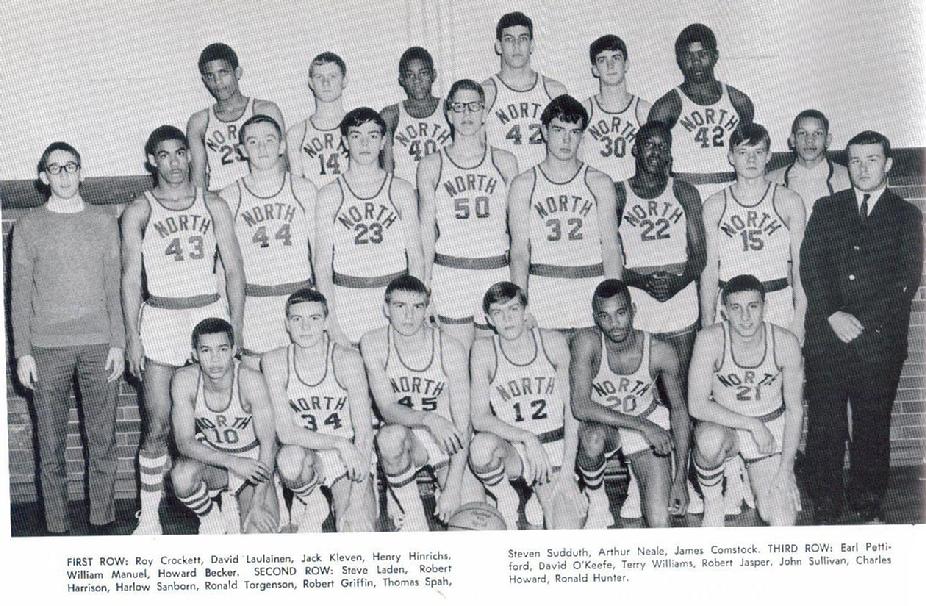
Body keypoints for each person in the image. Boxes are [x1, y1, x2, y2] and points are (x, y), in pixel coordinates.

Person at [122, 125, 245, 534]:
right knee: (157, 421)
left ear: (190, 156)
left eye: (180, 153)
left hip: (206, 315)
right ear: (151, 161)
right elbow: (128, 278)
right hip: (160, 318)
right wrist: (133, 338)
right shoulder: (139, 210)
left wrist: (237, 328)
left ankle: (221, 503)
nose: (174, 162)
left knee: (212, 416)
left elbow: (234, 269)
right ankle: (151, 516)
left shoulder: (213, 204)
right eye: (165, 155)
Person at [801, 130, 923, 524]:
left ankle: (867, 501)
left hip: (879, 340)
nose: (863, 168)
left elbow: (906, 281)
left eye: (872, 159)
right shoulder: (826, 208)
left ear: (888, 163)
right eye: (855, 160)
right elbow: (811, 267)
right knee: (825, 423)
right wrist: (833, 314)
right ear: (846, 164)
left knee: (872, 423)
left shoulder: (907, 216)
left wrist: (863, 324)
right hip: (828, 334)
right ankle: (826, 503)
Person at [11, 142, 124, 535]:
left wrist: (119, 343)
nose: (63, 175)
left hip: (99, 345)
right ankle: (57, 528)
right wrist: (22, 353)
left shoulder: (103, 220)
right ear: (43, 177)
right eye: (54, 169)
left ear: (81, 171)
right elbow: (19, 295)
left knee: (103, 441)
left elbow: (115, 286)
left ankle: (102, 521)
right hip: (46, 349)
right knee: (51, 447)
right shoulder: (27, 226)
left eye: (70, 167)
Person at [360, 276, 482, 531]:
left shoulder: (450, 348)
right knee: (389, 437)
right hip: (405, 437)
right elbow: (387, 409)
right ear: (386, 308)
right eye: (400, 306)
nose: (408, 316)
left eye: (417, 307)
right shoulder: (373, 343)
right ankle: (413, 513)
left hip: (447, 442)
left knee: (473, 522)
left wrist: (453, 488)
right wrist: (429, 419)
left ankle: (428, 489)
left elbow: (463, 424)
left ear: (427, 309)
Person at [570, 280, 690, 528]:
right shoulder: (587, 342)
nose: (614, 324)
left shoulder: (659, 351)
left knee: (660, 522)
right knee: (591, 440)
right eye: (605, 316)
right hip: (606, 425)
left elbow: (679, 412)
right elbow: (580, 406)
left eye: (621, 313)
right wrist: (643, 426)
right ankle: (597, 499)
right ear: (595, 318)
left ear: (633, 310)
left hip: (646, 418)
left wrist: (681, 478)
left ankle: (641, 477)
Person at [688, 275, 804, 527]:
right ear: (724, 312)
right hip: (728, 427)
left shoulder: (785, 342)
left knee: (782, 519)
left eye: (753, 306)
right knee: (708, 441)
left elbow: (795, 411)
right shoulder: (709, 339)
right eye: (735, 308)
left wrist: (786, 468)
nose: (745, 317)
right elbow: (696, 405)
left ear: (765, 307)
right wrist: (752, 424)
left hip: (768, 432)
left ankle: (750, 478)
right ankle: (714, 502)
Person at [469, 282, 586, 530]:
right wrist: (527, 438)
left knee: (566, 534)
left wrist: (567, 473)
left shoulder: (551, 341)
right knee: (480, 448)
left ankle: (540, 497)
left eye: (513, 309)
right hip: (515, 448)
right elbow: (479, 418)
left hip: (555, 448)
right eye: (498, 313)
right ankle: (506, 496)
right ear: (489, 319)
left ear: (525, 311)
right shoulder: (483, 350)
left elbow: (573, 411)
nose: (507, 318)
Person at [262, 288, 376, 532]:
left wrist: (355, 504)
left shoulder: (347, 360)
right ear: (287, 325)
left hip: (347, 458)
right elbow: (286, 433)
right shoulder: (274, 362)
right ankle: (314, 502)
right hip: (305, 454)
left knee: (356, 529)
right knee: (289, 459)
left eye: (314, 319)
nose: (305, 327)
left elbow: (365, 434)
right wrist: (338, 442)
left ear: (326, 322)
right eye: (297, 320)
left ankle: (339, 502)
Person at [418, 79, 519, 349]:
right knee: (457, 363)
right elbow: (426, 232)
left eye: (473, 106)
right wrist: (425, 285)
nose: (466, 114)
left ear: (485, 112)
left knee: (494, 360)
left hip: (494, 269)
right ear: (448, 113)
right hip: (451, 272)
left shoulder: (504, 161)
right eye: (459, 107)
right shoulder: (431, 165)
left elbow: (518, 230)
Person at [508, 94, 621, 333]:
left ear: (582, 135)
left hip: (589, 293)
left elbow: (611, 248)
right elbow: (519, 251)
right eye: (559, 130)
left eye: (574, 132)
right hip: (544, 294)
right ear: (544, 132)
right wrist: (521, 306)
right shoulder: (524, 184)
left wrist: (612, 304)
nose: (566, 140)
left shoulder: (599, 182)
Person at [314, 107, 423, 346]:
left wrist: (414, 308)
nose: (365, 143)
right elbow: (322, 264)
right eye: (356, 136)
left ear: (384, 141)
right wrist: (331, 320)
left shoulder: (401, 190)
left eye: (373, 136)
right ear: (344, 141)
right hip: (348, 299)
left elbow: (416, 256)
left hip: (393, 298)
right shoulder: (329, 194)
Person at [219, 114, 316, 367]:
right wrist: (228, 314)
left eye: (269, 140)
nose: (262, 148)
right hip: (256, 302)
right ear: (241, 150)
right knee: (256, 380)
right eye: (253, 141)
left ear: (282, 145)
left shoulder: (303, 189)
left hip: (298, 297)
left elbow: (319, 253)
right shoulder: (230, 196)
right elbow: (223, 267)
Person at [170, 318, 278, 534]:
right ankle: (212, 518)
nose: (215, 359)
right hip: (218, 464)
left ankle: (240, 502)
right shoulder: (184, 380)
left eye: (222, 349)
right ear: (194, 354)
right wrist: (232, 462)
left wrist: (257, 503)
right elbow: (184, 442)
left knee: (259, 539)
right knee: (181, 476)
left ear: (234, 351)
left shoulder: (250, 380)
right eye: (206, 351)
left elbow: (269, 445)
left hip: (253, 465)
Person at [701, 123, 806, 342]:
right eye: (743, 152)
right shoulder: (714, 205)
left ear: (768, 156)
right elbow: (709, 270)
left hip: (776, 300)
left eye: (758, 152)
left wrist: (799, 319)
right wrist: (707, 322)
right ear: (730, 157)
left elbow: (800, 268)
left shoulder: (789, 201)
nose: (751, 160)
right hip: (732, 303)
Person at [649, 23, 754, 200]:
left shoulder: (739, 102)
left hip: (731, 189)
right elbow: (653, 159)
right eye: (688, 56)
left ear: (715, 56)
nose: (696, 62)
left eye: (702, 54)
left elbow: (751, 152)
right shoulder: (667, 106)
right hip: (686, 190)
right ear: (679, 61)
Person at [187, 42, 285, 192]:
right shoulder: (199, 121)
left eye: (223, 73)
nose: (217, 82)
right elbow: (197, 180)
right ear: (204, 81)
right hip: (220, 198)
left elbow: (282, 164)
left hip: (261, 196)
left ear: (237, 72)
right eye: (210, 76)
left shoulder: (264, 110)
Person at [482, 11, 567, 171]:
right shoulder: (486, 92)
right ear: (498, 46)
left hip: (545, 186)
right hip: (503, 184)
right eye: (509, 39)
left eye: (523, 39)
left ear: (532, 44)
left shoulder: (554, 91)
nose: (516, 46)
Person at [580, 35, 651, 183]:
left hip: (633, 195)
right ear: (594, 69)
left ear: (626, 64)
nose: (610, 65)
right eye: (602, 60)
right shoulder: (584, 110)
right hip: (595, 193)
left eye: (616, 58)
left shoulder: (644, 111)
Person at [381, 47, 452, 188]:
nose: (417, 80)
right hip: (407, 196)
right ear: (401, 80)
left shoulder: (448, 109)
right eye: (410, 75)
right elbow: (387, 171)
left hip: (443, 192)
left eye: (423, 73)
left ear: (434, 75)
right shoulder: (391, 115)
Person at [766, 109, 851, 217]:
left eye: (818, 133)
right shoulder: (771, 182)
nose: (810, 140)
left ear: (828, 140)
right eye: (802, 133)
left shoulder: (848, 178)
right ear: (792, 140)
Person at [286, 52, 351, 188]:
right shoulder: (297, 133)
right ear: (311, 83)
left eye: (332, 76)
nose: (325, 82)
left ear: (344, 80)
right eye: (319, 77)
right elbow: (298, 187)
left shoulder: (359, 126)